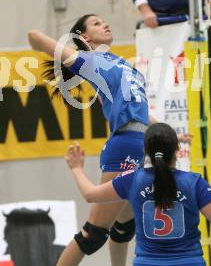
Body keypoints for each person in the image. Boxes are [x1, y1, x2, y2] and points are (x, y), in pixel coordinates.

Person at [28, 14, 149, 266]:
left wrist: (169, 133)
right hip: (125, 145)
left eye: (105, 20)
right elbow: (34, 36)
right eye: (96, 23)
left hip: (139, 142)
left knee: (125, 226)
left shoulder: (120, 64)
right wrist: (57, 45)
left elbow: (143, 110)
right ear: (84, 37)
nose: (105, 24)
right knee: (93, 234)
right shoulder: (89, 60)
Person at [65, 122, 211, 266]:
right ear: (177, 151)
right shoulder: (194, 183)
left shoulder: (132, 180)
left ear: (145, 151)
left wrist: (76, 169)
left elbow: (90, 195)